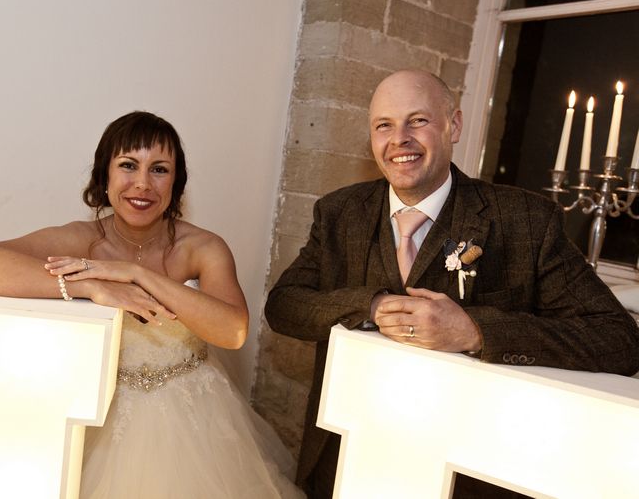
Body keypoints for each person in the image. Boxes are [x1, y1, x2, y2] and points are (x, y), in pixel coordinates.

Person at [264, 69, 639, 498]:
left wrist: (476, 332)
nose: (399, 139)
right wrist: (371, 305)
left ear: (454, 125)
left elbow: (619, 339)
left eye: (418, 121)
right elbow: (284, 305)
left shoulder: (526, 220)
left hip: (467, 474)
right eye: (384, 125)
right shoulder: (340, 211)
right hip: (346, 456)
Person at [0, 111, 303, 498]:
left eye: (159, 169)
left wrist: (136, 274)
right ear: (105, 174)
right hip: (100, 413)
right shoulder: (80, 240)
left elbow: (233, 331)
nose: (143, 184)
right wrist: (91, 287)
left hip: (195, 420)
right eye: (128, 165)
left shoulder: (203, 248)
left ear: (176, 183)